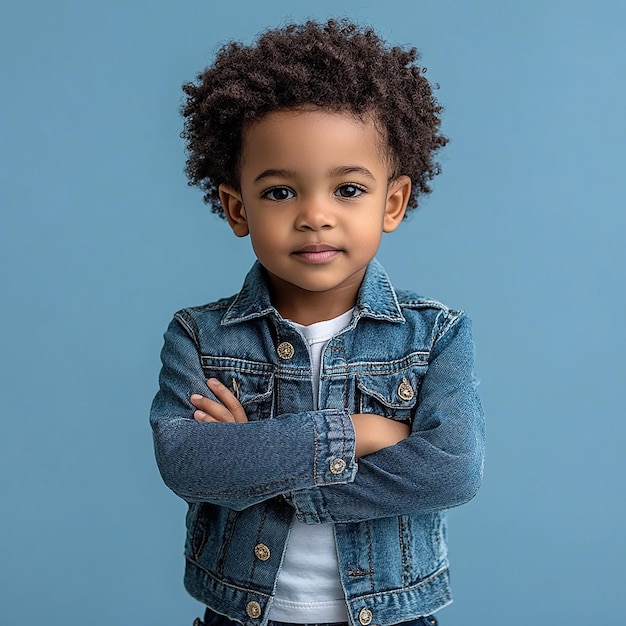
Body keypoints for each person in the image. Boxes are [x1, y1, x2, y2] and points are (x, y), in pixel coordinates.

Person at [150, 19, 485, 626]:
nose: (315, 216)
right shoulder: (201, 336)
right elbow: (188, 462)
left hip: (393, 615)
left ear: (393, 202)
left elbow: (452, 471)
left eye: (348, 189)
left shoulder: (435, 335)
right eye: (280, 193)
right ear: (236, 208)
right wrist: (358, 432)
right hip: (242, 615)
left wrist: (256, 463)